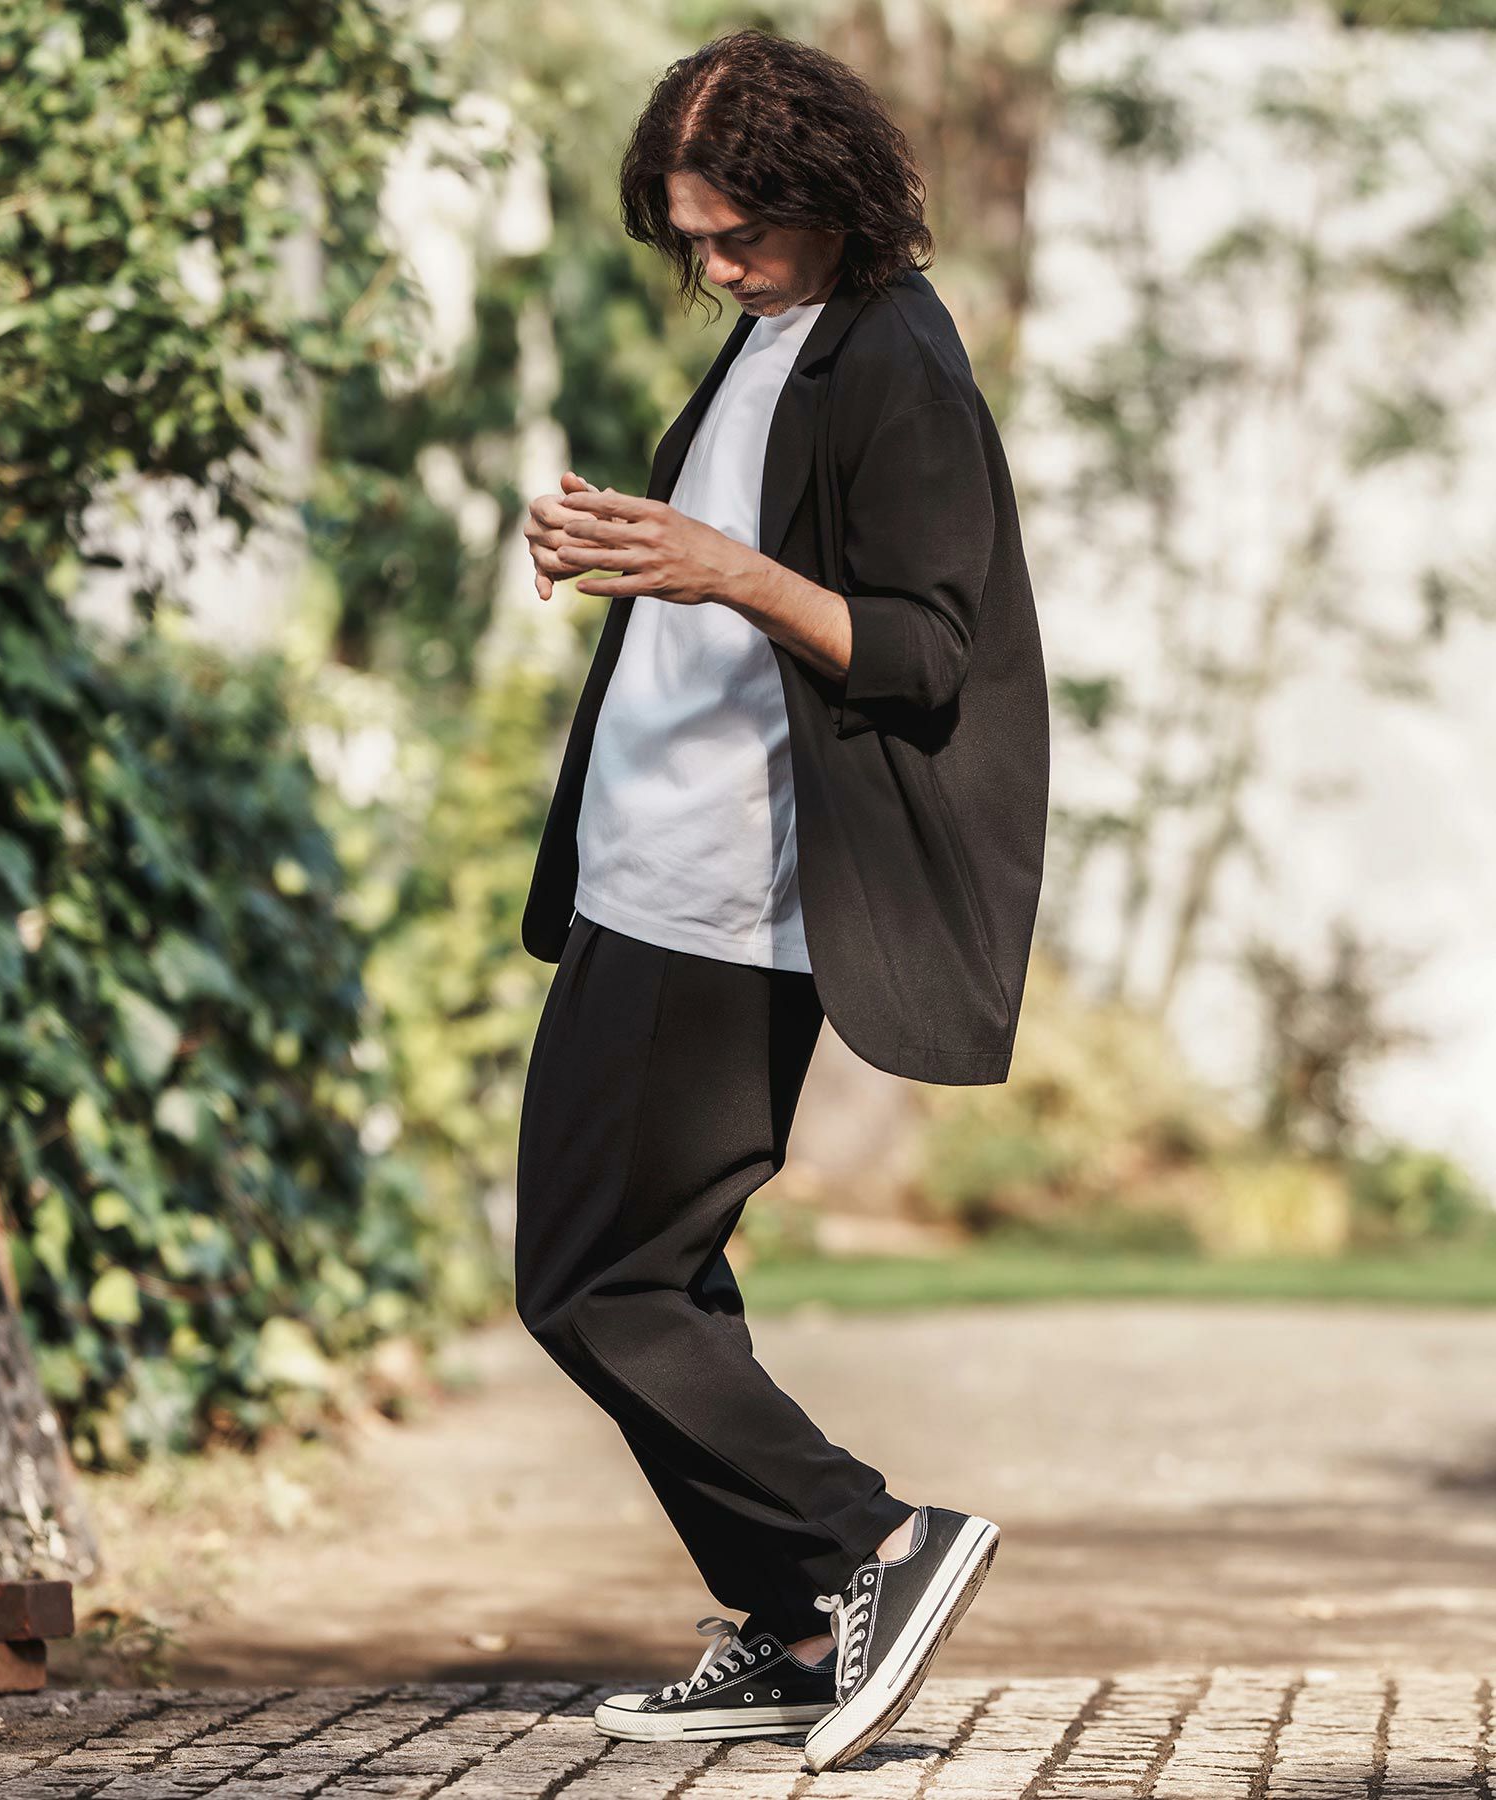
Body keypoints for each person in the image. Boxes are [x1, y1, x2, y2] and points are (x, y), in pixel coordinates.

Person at [516, 26, 1048, 1775]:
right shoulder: (779, 336)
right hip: (645, 869)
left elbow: (923, 649)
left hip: (732, 893)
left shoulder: (898, 358)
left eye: (740, 233)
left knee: (596, 1282)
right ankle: (802, 1626)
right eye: (695, 242)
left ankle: (872, 1541)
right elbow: (716, 582)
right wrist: (620, 549)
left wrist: (722, 568)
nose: (719, 266)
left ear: (828, 194)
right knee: (640, 1273)